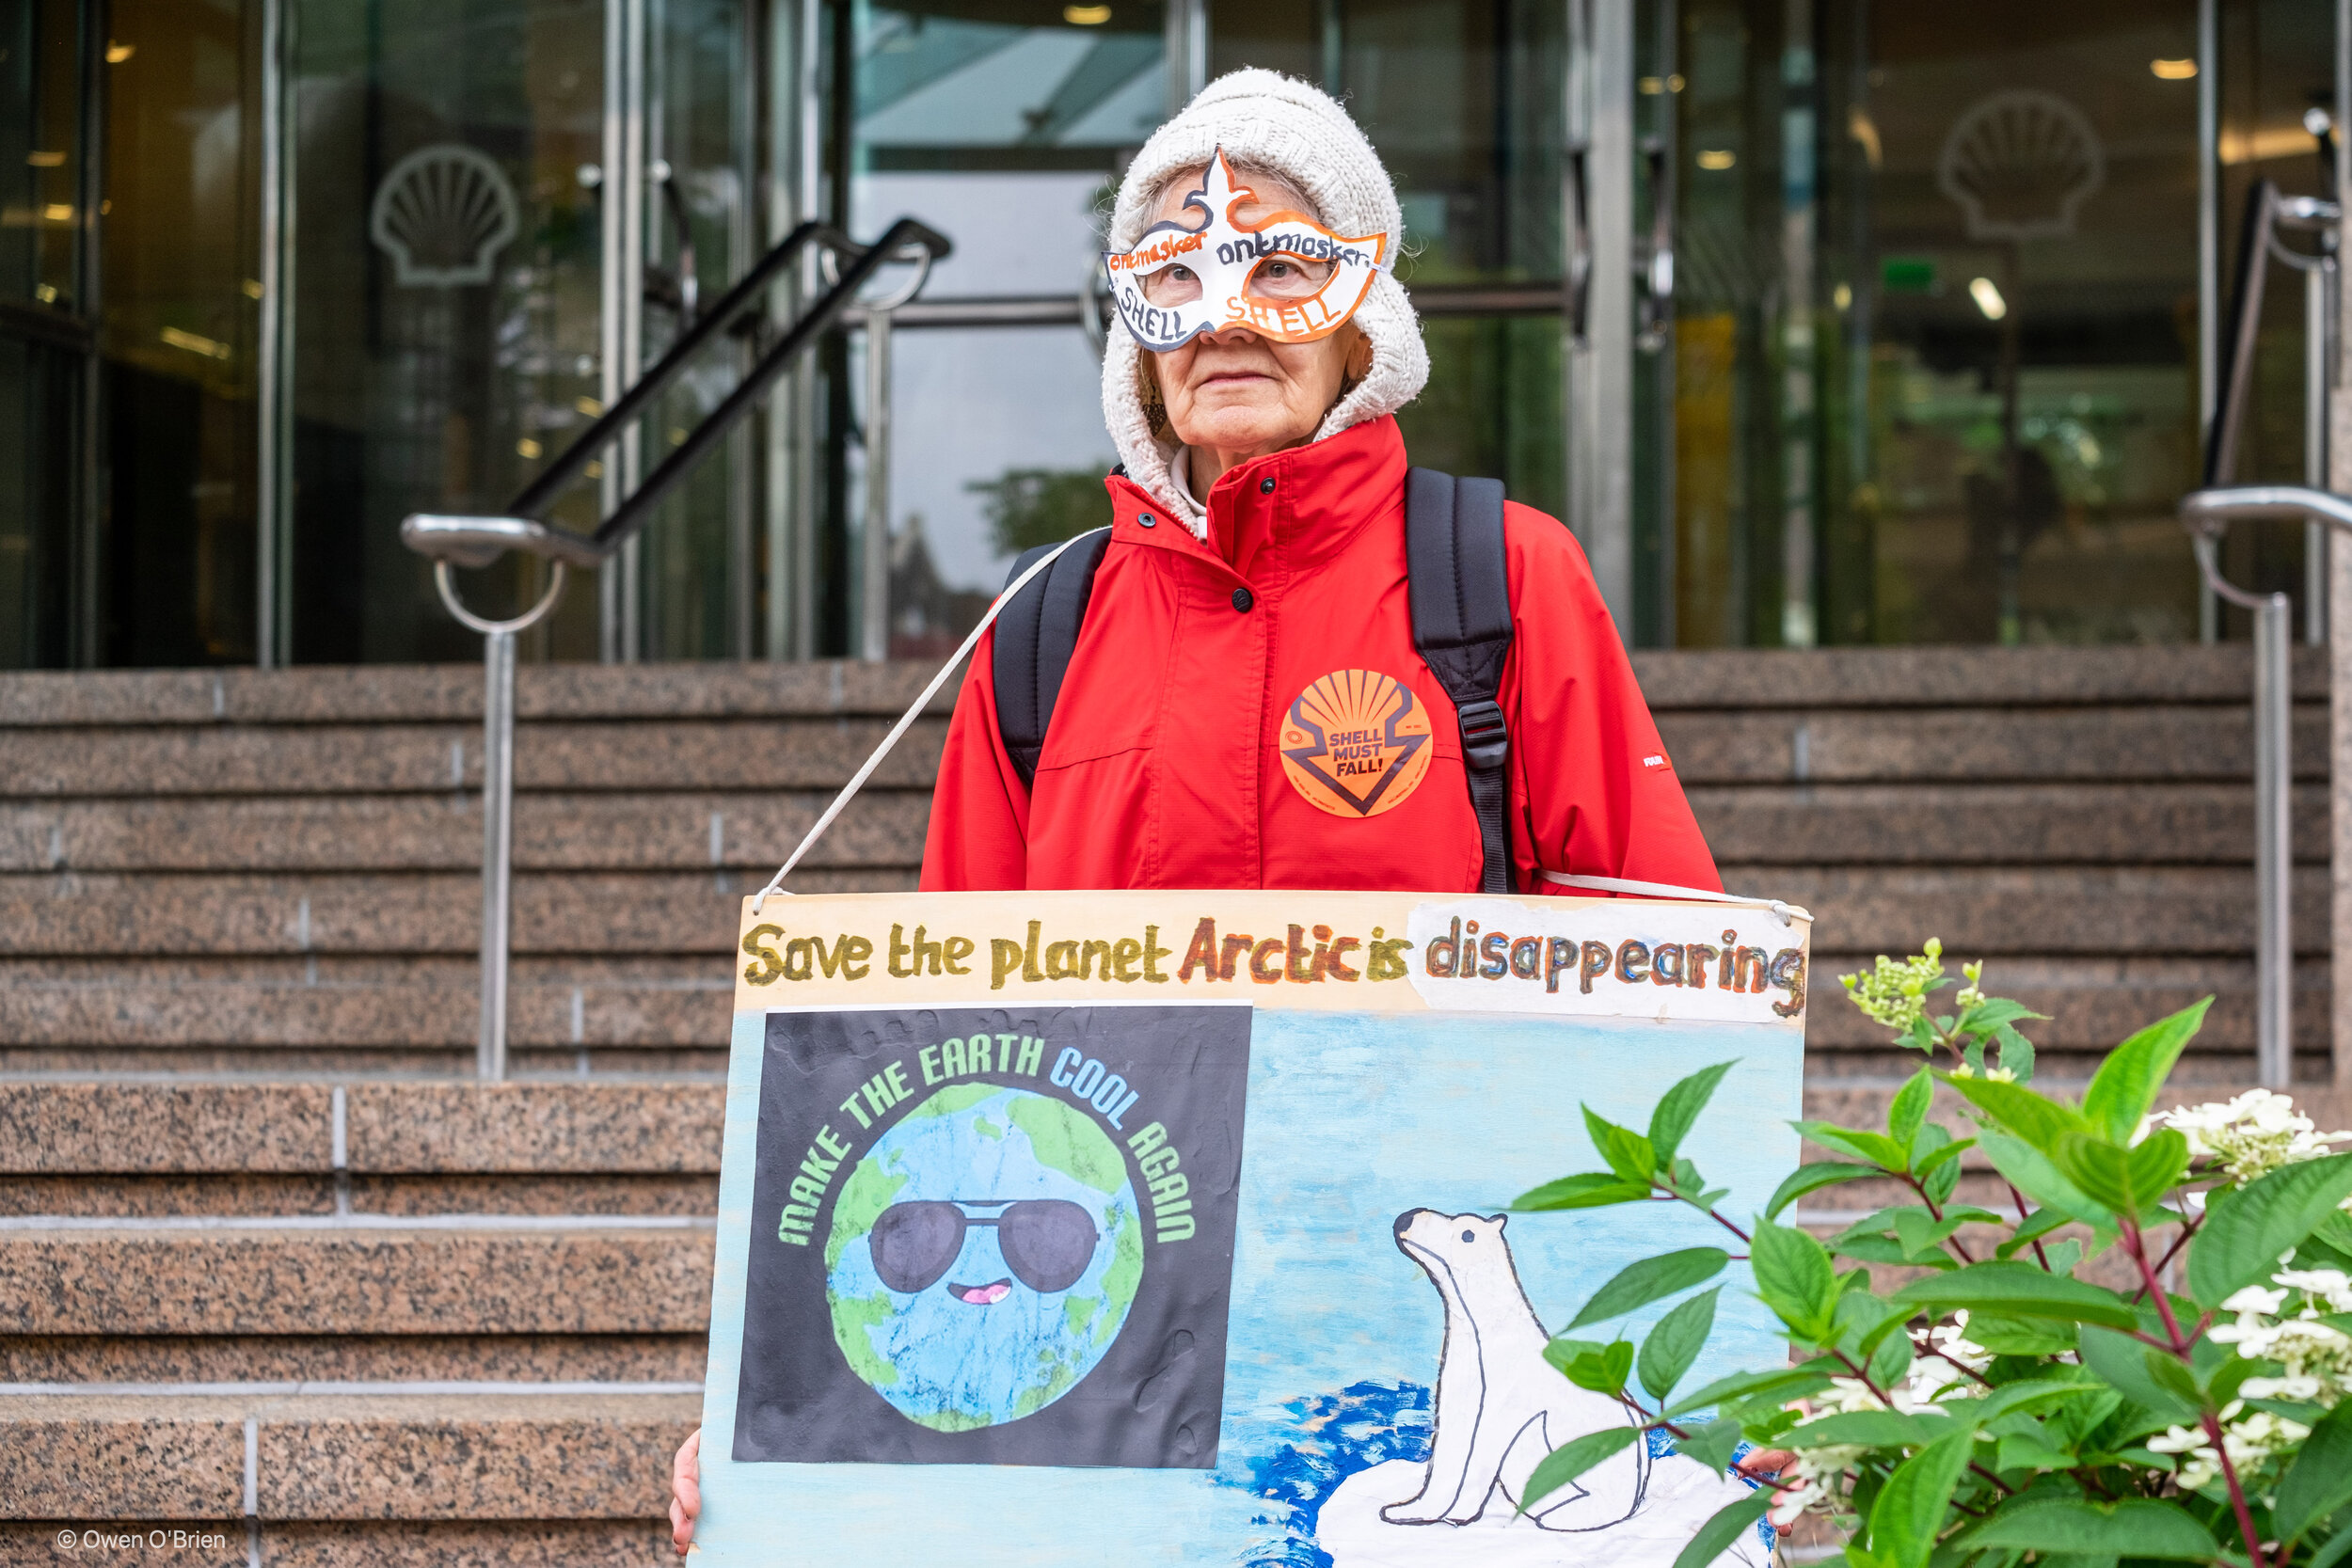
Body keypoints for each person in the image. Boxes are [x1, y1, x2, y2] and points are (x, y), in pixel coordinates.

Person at [670, 68, 1720, 1554]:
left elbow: (1675, 1000)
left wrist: (1739, 1371)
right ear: (1134, 330)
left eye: (1283, 263)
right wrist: (789, 1426)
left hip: (1397, 1328)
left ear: (1366, 313)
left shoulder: (1505, 578)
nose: (1226, 314)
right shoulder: (1041, 630)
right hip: (1102, 1338)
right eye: (1173, 273)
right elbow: (935, 1077)